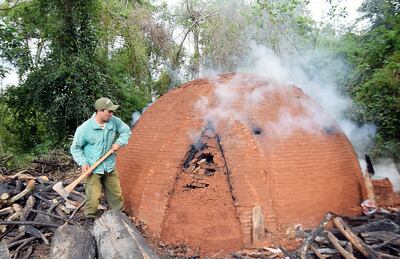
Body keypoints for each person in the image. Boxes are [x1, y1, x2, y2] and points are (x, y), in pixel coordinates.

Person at [70, 97, 131, 220]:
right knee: (93, 197)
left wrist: (119, 142)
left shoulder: (114, 121)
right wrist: (83, 163)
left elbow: (126, 131)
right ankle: (91, 218)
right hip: (93, 169)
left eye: (112, 111)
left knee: (116, 193)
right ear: (100, 111)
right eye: (109, 111)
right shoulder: (85, 129)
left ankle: (119, 216)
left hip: (109, 165)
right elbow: (75, 148)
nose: (112, 114)